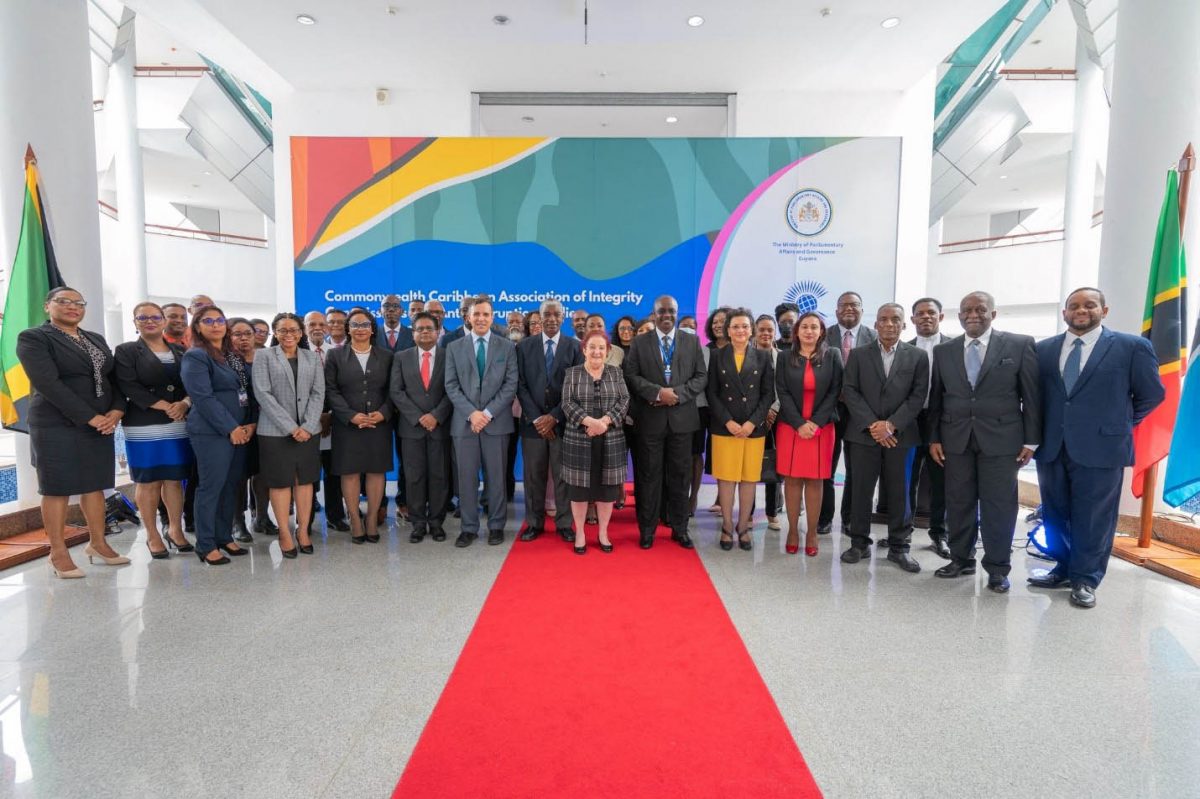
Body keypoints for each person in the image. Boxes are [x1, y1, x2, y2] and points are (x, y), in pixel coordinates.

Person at [1032, 288, 1164, 608]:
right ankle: (1063, 568)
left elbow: (1151, 395)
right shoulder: (1044, 350)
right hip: (1052, 446)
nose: (1081, 310)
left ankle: (1086, 578)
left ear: (1104, 310)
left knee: (1094, 518)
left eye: (1089, 305)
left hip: (1102, 448)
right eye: (1074, 306)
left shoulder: (1132, 347)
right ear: (1064, 313)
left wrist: (1117, 423)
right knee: (1055, 513)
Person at [929, 291, 1041, 593]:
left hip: (1003, 442)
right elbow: (937, 398)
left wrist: (1032, 440)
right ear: (959, 315)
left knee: (999, 506)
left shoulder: (1019, 345)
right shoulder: (945, 350)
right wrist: (935, 438)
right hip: (956, 439)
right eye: (966, 310)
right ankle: (961, 558)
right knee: (959, 502)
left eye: (980, 309)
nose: (972, 314)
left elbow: (1031, 396)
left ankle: (997, 567)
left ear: (994, 314)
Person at [18, 287, 128, 578]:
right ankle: (57, 552)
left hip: (101, 422)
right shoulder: (34, 338)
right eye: (63, 301)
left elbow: (112, 378)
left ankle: (98, 543)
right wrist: (90, 417)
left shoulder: (96, 338)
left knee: (95, 484)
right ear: (47, 306)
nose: (72, 306)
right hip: (56, 423)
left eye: (78, 302)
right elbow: (47, 383)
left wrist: (116, 410)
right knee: (57, 488)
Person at [839, 303, 929, 572]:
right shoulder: (857, 355)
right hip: (863, 435)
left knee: (901, 492)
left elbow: (918, 396)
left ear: (904, 325)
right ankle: (859, 543)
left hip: (902, 436)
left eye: (895, 320)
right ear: (875, 325)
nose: (889, 324)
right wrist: (873, 425)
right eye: (883, 319)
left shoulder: (917, 356)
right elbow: (850, 391)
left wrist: (891, 425)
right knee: (860, 491)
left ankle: (899, 547)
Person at [623, 294, 708, 549]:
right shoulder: (640, 342)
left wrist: (676, 395)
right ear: (654, 314)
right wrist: (658, 393)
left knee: (680, 477)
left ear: (677, 312)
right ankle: (647, 530)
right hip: (650, 421)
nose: (667, 316)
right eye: (662, 312)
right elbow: (631, 375)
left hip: (682, 421)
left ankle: (679, 529)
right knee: (648, 477)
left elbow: (701, 376)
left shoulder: (692, 342)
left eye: (671, 311)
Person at [113, 301, 193, 558]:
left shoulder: (181, 350)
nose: (149, 321)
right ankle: (152, 535)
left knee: (173, 479)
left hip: (177, 422)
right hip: (143, 423)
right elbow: (128, 385)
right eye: (142, 317)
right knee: (148, 480)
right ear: (134, 322)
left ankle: (175, 530)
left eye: (155, 317)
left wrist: (183, 403)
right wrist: (166, 406)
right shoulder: (126, 351)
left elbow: (193, 383)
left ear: (163, 320)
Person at [180, 306, 256, 565]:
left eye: (220, 320)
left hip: (239, 430)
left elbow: (245, 393)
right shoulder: (196, 356)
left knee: (230, 485)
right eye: (208, 321)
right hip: (212, 432)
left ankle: (224, 536)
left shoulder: (229, 355)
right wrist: (230, 427)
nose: (215, 325)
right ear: (198, 327)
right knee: (211, 487)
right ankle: (205, 543)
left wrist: (247, 425)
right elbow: (203, 397)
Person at [444, 294, 519, 547]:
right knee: (466, 479)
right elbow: (451, 385)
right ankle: (469, 527)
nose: (481, 318)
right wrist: (472, 413)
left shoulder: (506, 346)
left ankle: (496, 526)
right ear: (468, 317)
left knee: (496, 477)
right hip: (464, 424)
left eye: (486, 314)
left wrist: (486, 414)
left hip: (496, 423)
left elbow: (511, 385)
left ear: (492, 317)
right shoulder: (454, 348)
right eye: (476, 314)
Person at [252, 312, 325, 558]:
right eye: (282, 330)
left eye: (293, 329)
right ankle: (284, 532)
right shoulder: (263, 356)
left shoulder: (311, 358)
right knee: (281, 483)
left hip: (308, 431)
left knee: (304, 483)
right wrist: (291, 428)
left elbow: (318, 393)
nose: (289, 334)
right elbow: (263, 394)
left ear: (301, 332)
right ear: (275, 332)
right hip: (275, 432)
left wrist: (307, 425)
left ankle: (303, 531)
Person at [707, 308, 775, 551]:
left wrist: (750, 423)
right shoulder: (716, 356)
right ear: (728, 330)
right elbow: (711, 393)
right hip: (725, 427)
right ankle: (727, 525)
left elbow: (768, 394)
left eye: (745, 326)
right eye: (735, 326)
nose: (740, 331)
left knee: (748, 480)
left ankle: (743, 527)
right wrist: (728, 421)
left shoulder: (763, 357)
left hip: (752, 429)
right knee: (726, 479)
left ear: (751, 330)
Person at [516, 299, 584, 541]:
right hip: (532, 425)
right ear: (540, 317)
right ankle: (534, 523)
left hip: (563, 425)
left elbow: (576, 388)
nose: (552, 319)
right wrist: (537, 418)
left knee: (563, 476)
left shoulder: (574, 347)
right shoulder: (524, 347)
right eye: (547, 314)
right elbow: (520, 386)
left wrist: (554, 417)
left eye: (557, 314)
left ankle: (564, 523)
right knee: (534, 477)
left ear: (563, 318)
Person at [775, 311, 842, 556]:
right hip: (791, 427)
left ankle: (812, 533)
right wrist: (798, 423)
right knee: (792, 480)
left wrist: (814, 422)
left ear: (821, 331)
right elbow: (782, 391)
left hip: (821, 428)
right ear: (797, 331)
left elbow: (835, 391)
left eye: (815, 327)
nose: (809, 331)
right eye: (805, 327)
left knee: (815, 480)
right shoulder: (784, 357)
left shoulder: (832, 355)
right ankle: (793, 530)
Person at [325, 309, 393, 544]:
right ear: (348, 329)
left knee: (376, 471)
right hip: (348, 426)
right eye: (355, 325)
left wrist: (383, 414)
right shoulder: (334, 356)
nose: (360, 329)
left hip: (378, 425)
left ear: (372, 328)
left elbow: (393, 391)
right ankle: (355, 519)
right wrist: (349, 415)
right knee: (350, 472)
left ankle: (372, 518)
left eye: (365, 324)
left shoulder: (386, 356)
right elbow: (331, 390)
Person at [561, 330, 630, 554]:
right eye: (592, 347)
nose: (597, 352)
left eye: (601, 348)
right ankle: (580, 532)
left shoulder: (615, 373)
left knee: (607, 490)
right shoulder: (572, 373)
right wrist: (590, 422)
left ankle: (603, 532)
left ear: (608, 351)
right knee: (579, 490)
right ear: (584, 350)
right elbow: (567, 403)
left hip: (610, 438)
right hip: (580, 438)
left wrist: (605, 422)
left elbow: (624, 400)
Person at [819, 291, 878, 535]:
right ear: (836, 311)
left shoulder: (873, 336)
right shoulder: (825, 336)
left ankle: (850, 519)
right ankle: (823, 518)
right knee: (826, 468)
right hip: (831, 410)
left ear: (862, 310)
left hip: (861, 412)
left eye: (854, 305)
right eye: (844, 305)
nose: (849, 309)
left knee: (856, 469)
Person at [391, 312, 452, 542]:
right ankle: (417, 523)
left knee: (439, 475)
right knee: (414, 477)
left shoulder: (449, 356)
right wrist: (418, 417)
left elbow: (452, 389)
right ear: (413, 333)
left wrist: (436, 415)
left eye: (429, 328)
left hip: (439, 426)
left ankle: (436, 522)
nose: (425, 332)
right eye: (420, 329)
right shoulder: (401, 357)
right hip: (411, 428)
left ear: (438, 332)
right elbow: (396, 391)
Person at [906, 297, 952, 558]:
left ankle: (939, 534)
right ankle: (902, 532)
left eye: (931, 313)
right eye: (919, 314)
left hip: (943, 425)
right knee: (905, 480)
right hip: (910, 422)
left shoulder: (954, 347)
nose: (925, 317)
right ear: (912, 320)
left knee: (940, 482)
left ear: (940, 317)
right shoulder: (904, 348)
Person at [227, 318, 273, 539]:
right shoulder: (223, 361)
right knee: (239, 475)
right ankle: (238, 522)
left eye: (248, 333)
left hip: (265, 423)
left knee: (263, 473)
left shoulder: (266, 359)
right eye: (237, 334)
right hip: (237, 425)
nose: (243, 338)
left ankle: (261, 517)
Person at [305, 310, 349, 532]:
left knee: (334, 471)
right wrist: (315, 416)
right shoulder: (298, 353)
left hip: (334, 421)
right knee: (308, 473)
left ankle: (335, 515)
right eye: (312, 324)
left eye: (322, 324)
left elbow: (341, 388)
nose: (317, 328)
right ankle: (306, 519)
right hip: (306, 423)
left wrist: (330, 415)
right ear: (304, 327)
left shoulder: (338, 353)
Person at [378, 295, 413, 523]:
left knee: (406, 457)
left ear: (402, 311)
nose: (391, 310)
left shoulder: (412, 334)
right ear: (380, 311)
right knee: (377, 458)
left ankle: (404, 501)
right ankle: (378, 503)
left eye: (395, 307)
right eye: (386, 307)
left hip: (406, 408)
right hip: (378, 406)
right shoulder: (371, 334)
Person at [754, 314, 784, 531]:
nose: (766, 334)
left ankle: (772, 512)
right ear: (755, 331)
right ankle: (747, 512)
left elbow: (786, 388)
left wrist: (773, 410)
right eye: (762, 329)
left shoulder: (783, 357)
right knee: (751, 466)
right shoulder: (746, 356)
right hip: (752, 419)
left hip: (779, 418)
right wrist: (760, 413)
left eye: (769, 330)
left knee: (775, 464)